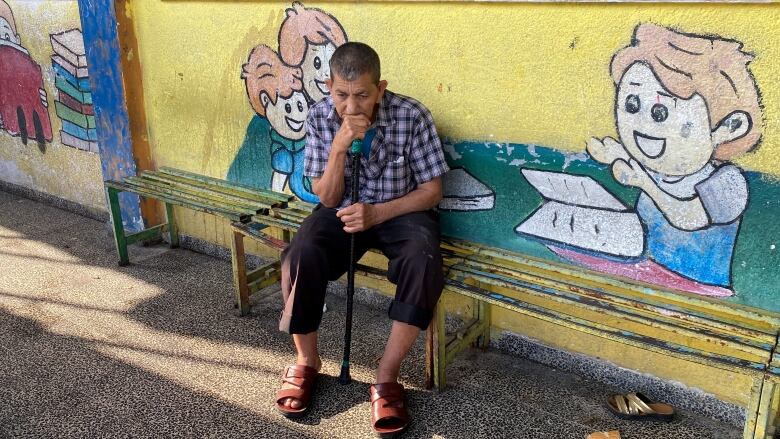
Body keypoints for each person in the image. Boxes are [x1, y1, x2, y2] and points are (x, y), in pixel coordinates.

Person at [274, 42, 449, 437]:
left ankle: (387, 376)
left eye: (363, 96)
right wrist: (338, 146)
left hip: (400, 209)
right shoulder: (320, 116)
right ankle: (306, 361)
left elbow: (432, 191)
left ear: (381, 88)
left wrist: (377, 213)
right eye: (341, 95)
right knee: (300, 252)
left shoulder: (412, 114)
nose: (351, 107)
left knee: (423, 259)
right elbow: (327, 197)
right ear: (328, 85)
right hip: (341, 209)